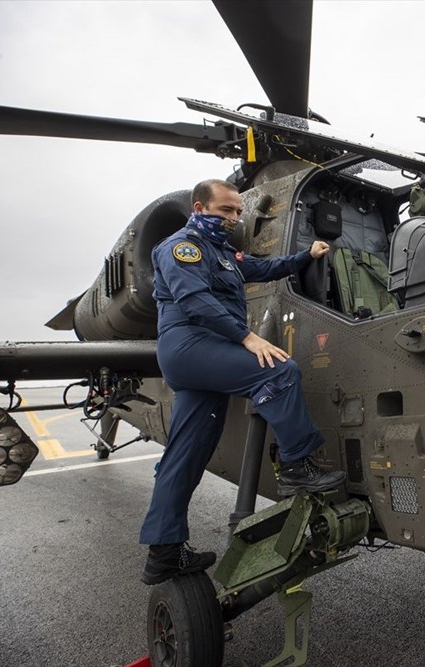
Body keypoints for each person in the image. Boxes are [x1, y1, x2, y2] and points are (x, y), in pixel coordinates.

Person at [139, 179, 346, 585]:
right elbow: (195, 302)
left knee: (187, 453)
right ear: (199, 208)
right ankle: (296, 467)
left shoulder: (222, 253)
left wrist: (307, 254)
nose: (234, 219)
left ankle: (163, 552)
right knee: (280, 370)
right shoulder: (182, 248)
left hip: (205, 353)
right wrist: (248, 338)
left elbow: (263, 268)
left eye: (237, 212)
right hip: (190, 344)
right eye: (225, 212)